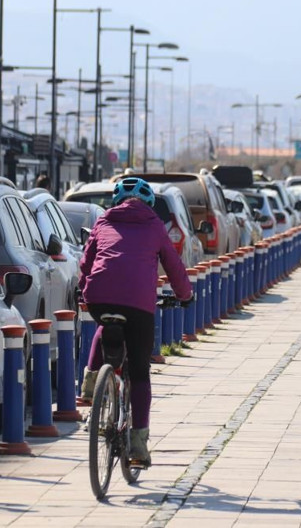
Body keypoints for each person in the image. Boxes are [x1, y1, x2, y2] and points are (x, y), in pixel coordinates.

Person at [79, 177, 193, 468]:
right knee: (140, 372)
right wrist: (185, 294)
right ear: (149, 203)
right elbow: (173, 264)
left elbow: (87, 261)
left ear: (117, 200)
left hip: (100, 296)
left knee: (104, 325)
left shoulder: (104, 220)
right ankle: (138, 445)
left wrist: (83, 289)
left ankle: (91, 383)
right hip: (139, 304)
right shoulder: (154, 224)